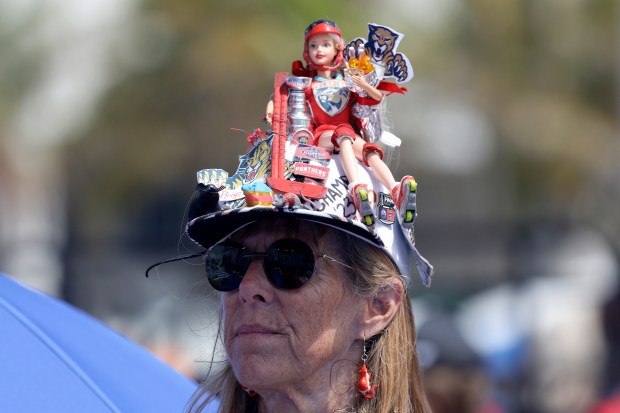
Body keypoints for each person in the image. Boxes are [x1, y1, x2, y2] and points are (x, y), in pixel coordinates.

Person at [266, 19, 417, 230]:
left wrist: (362, 83)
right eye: (314, 45)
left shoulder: (347, 80)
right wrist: (271, 109)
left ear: (338, 47)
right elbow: (280, 94)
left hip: (347, 132)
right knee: (344, 135)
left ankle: (395, 190)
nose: (319, 50)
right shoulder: (306, 84)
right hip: (323, 134)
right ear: (306, 50)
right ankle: (356, 186)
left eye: (326, 44)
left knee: (369, 151)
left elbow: (375, 98)